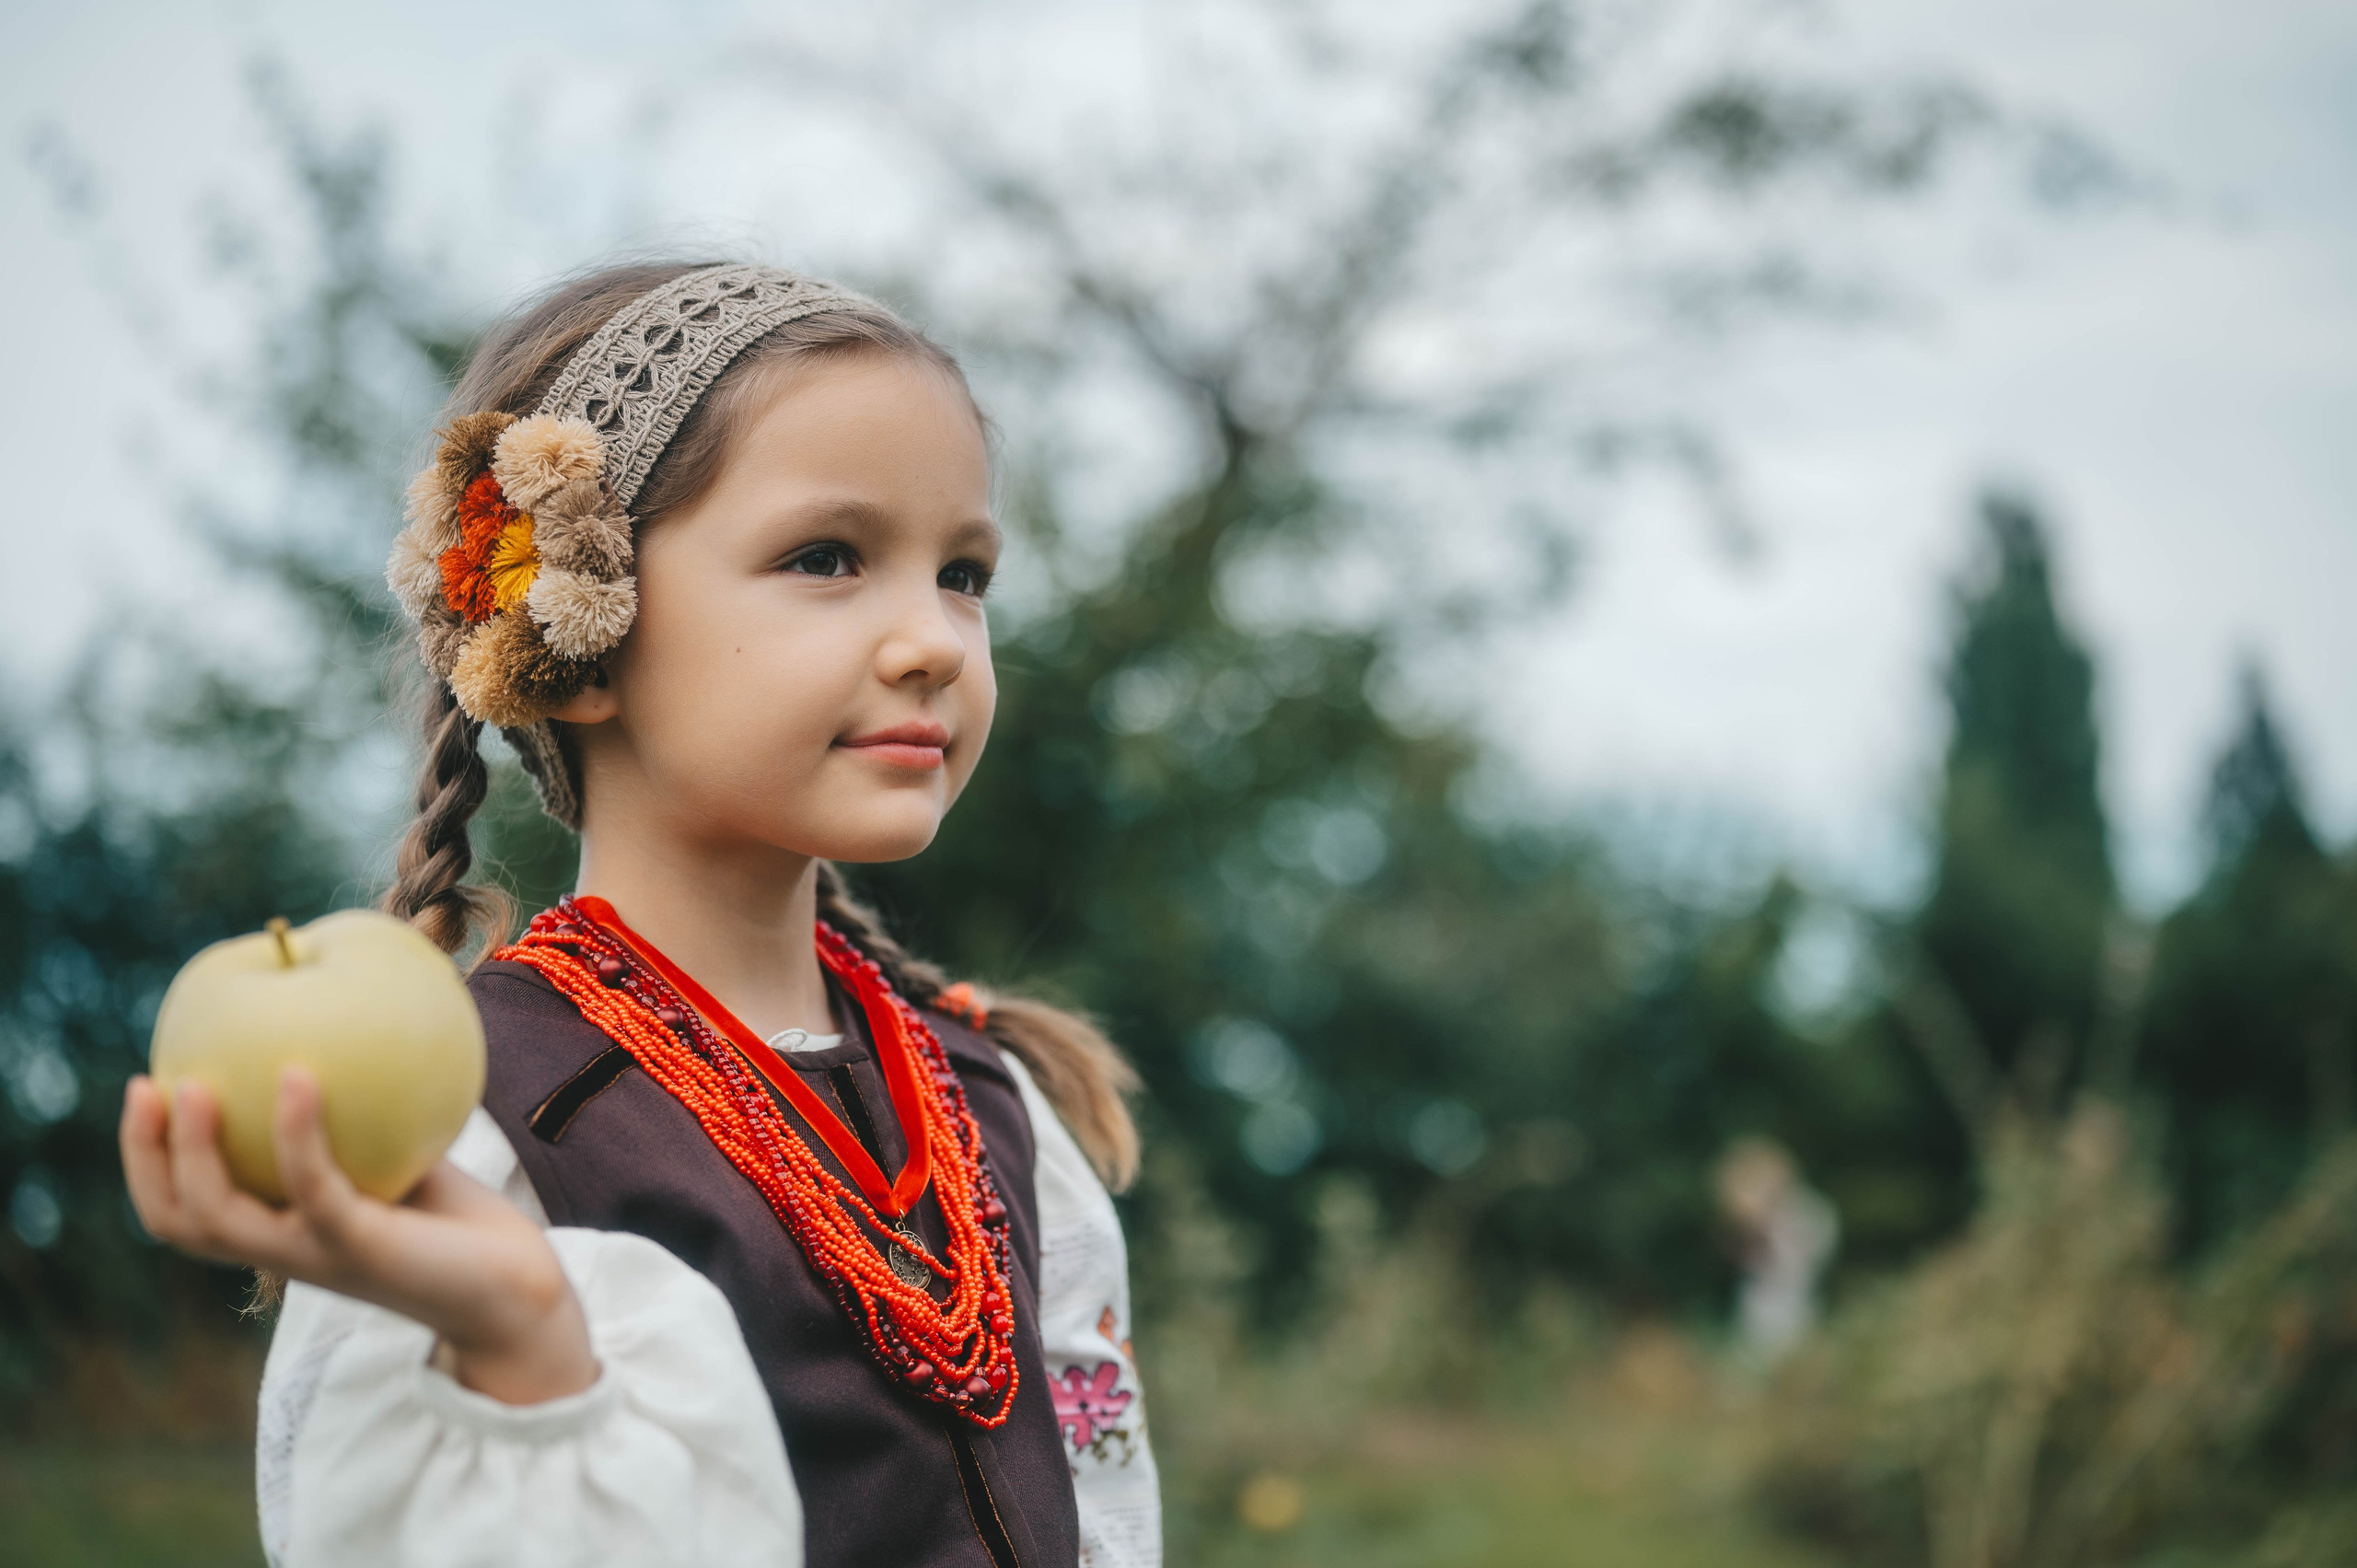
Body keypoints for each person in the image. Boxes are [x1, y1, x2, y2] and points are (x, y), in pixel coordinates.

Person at [115, 262, 1161, 1568]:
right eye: (826, 557)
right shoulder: (479, 1123)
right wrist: (526, 1349)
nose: (937, 640)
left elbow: (1110, 1521)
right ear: (577, 636)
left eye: (964, 571)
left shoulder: (987, 1093)